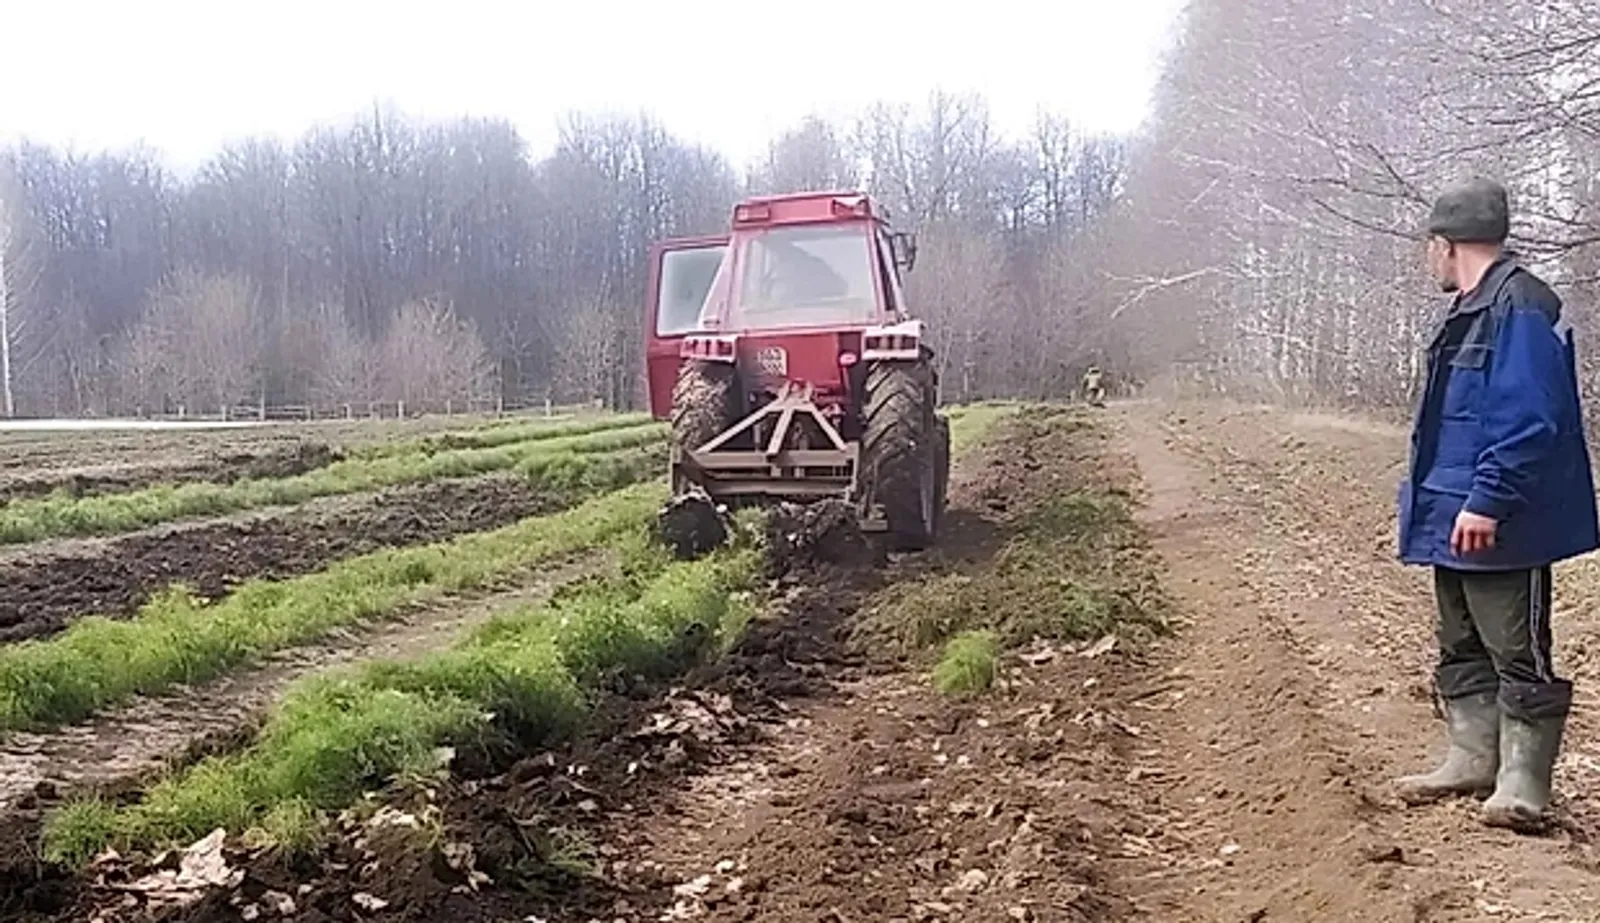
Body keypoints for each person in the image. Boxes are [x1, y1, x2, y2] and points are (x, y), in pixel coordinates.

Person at [1394, 177, 1599, 830]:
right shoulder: (1466, 307)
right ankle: (1472, 757)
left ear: (1445, 244)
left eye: (1430, 246)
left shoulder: (1520, 305)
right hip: (1451, 513)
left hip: (1498, 517)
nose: (1430, 258)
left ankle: (1521, 784)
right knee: (1459, 640)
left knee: (1516, 647)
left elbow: (1529, 418)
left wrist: (1487, 499)